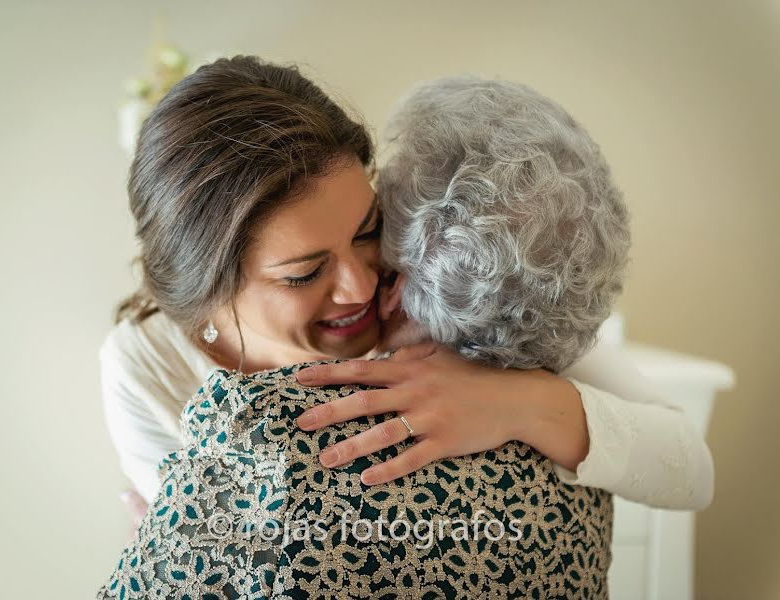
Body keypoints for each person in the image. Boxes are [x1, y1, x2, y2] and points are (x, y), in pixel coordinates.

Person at [98, 56, 712, 534]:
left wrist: (521, 402)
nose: (364, 285)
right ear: (207, 293)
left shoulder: (434, 295)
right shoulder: (148, 368)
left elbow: (690, 468)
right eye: (304, 273)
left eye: (368, 231)